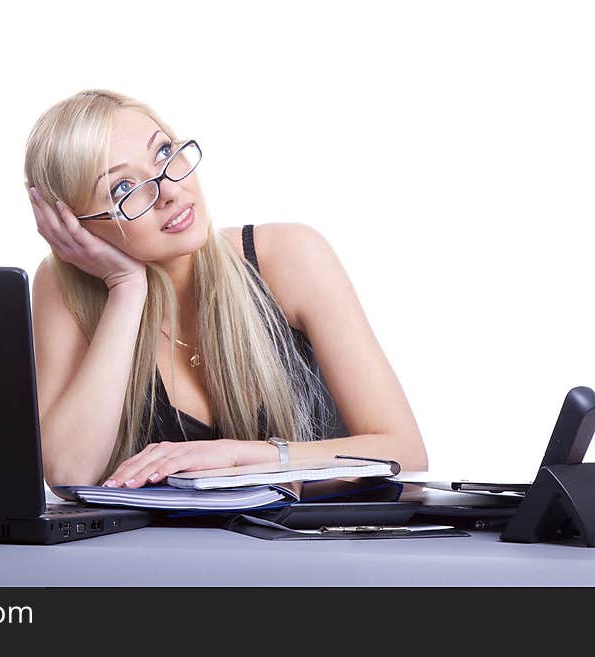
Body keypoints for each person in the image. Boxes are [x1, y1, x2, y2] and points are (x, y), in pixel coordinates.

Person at [24, 89, 428, 489]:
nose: (168, 191)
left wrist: (242, 457)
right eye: (123, 190)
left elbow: (405, 453)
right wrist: (126, 288)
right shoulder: (65, 286)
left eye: (164, 153)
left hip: (325, 547)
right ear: (76, 227)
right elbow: (68, 473)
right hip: (175, 555)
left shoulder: (290, 256)